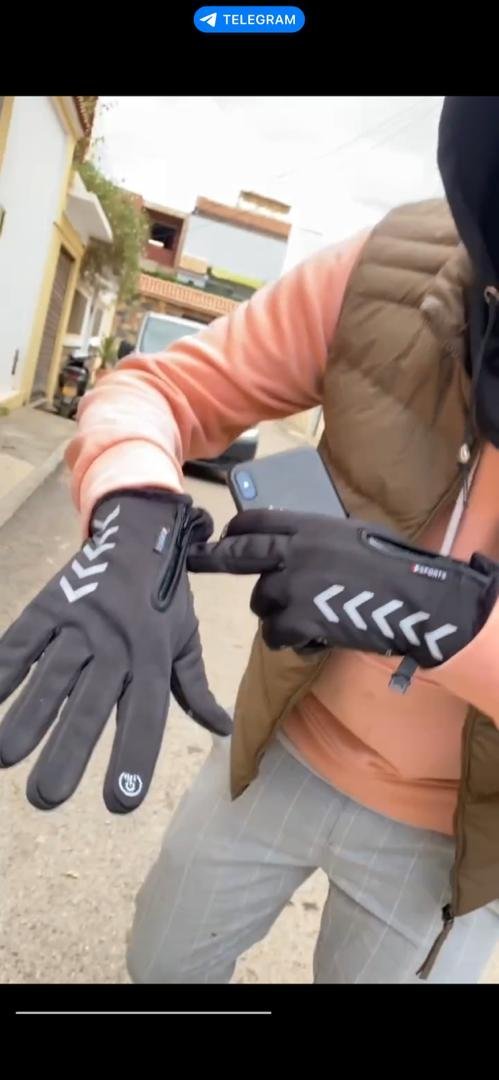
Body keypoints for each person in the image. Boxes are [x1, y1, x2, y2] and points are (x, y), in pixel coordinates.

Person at [2, 96, 499, 984]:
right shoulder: (390, 264)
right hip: (280, 746)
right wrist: (132, 504)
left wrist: (457, 627)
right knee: (161, 967)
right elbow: (159, 390)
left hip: (461, 838)